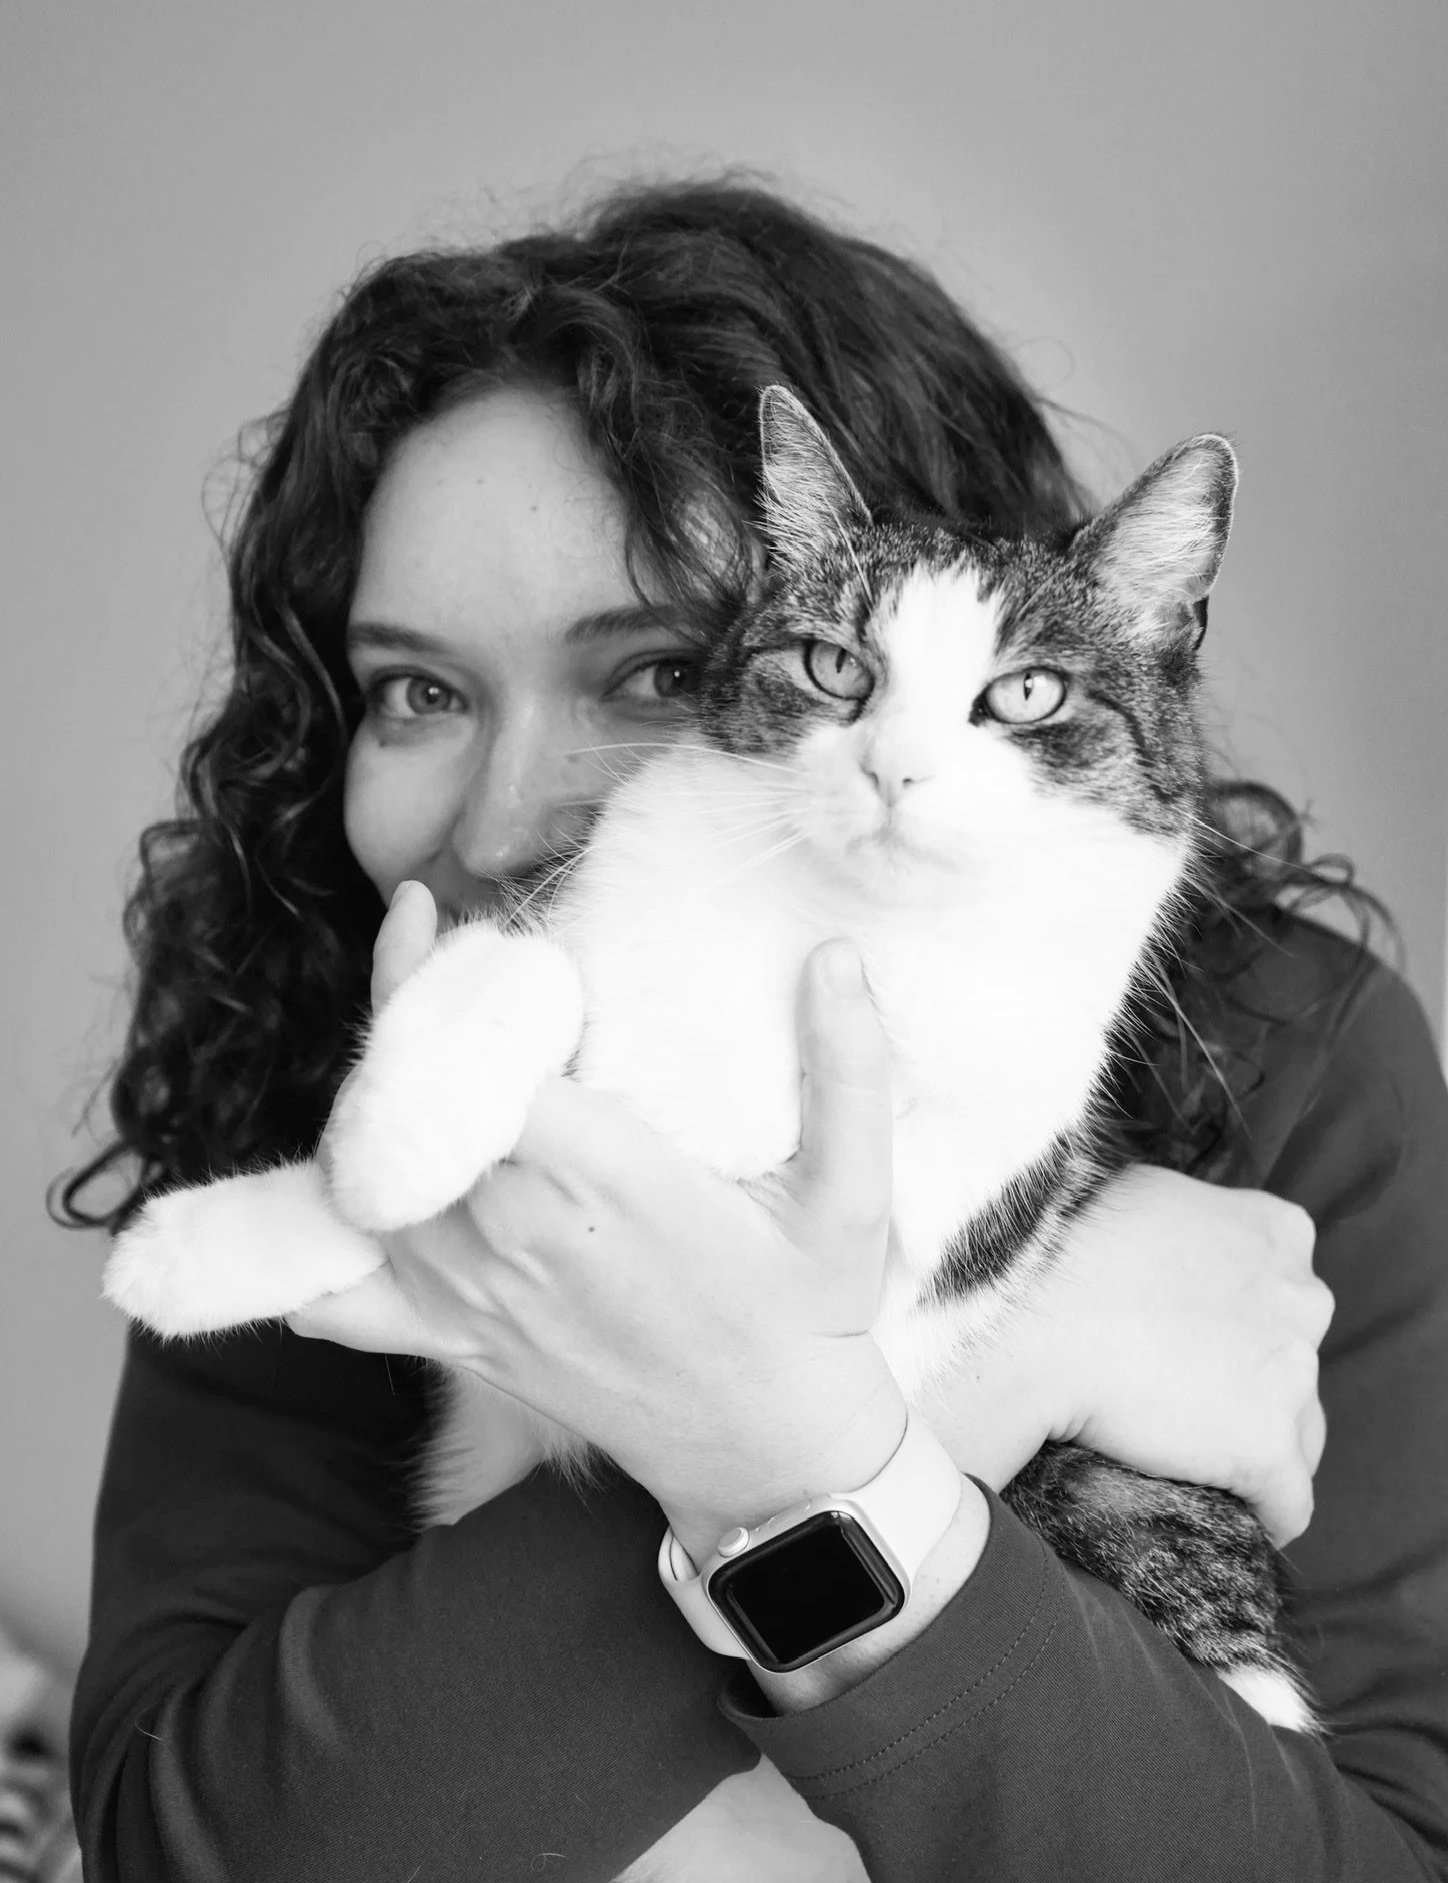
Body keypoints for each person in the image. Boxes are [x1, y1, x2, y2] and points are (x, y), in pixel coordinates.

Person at [57, 179, 1448, 1881]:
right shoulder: (318, 1057)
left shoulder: (1302, 1057)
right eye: (417, 690)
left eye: (648, 673)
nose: (496, 825)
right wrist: (940, 1387)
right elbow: (186, 1851)